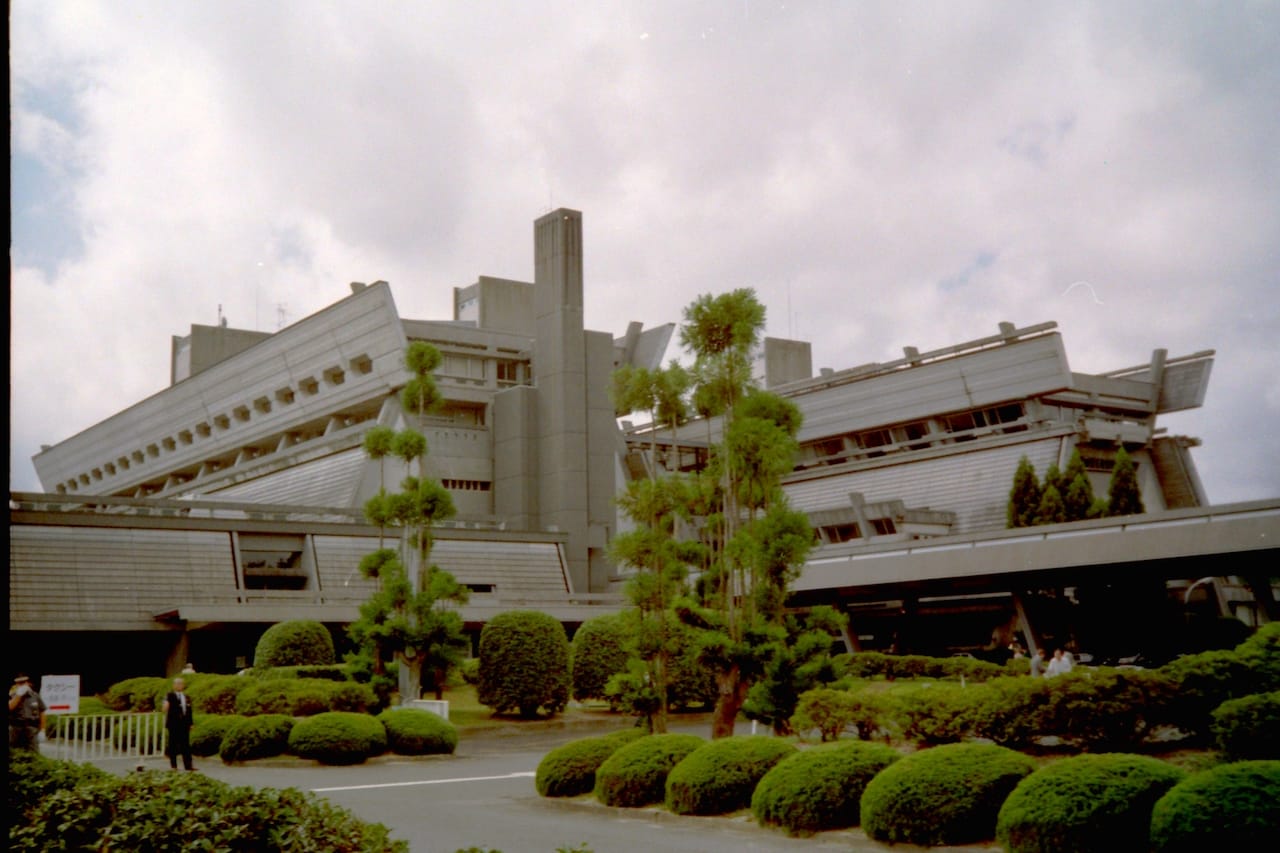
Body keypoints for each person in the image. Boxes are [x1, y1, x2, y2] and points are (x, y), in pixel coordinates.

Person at [162, 677, 196, 771]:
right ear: (174, 685)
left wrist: (191, 723)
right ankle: (174, 766)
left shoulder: (186, 696)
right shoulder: (170, 695)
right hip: (174, 724)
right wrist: (165, 705)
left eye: (181, 684)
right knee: (173, 744)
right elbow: (165, 707)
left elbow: (189, 711)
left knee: (186, 745)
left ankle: (188, 765)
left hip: (184, 724)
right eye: (177, 684)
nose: (179, 685)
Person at [8, 674, 47, 750]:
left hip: (31, 728)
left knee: (33, 752)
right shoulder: (12, 695)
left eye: (23, 682)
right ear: (16, 684)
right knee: (14, 751)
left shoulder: (35, 696)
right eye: (19, 683)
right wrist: (18, 695)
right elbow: (10, 707)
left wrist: (43, 730)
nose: (22, 685)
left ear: (28, 683)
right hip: (16, 728)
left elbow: (42, 712)